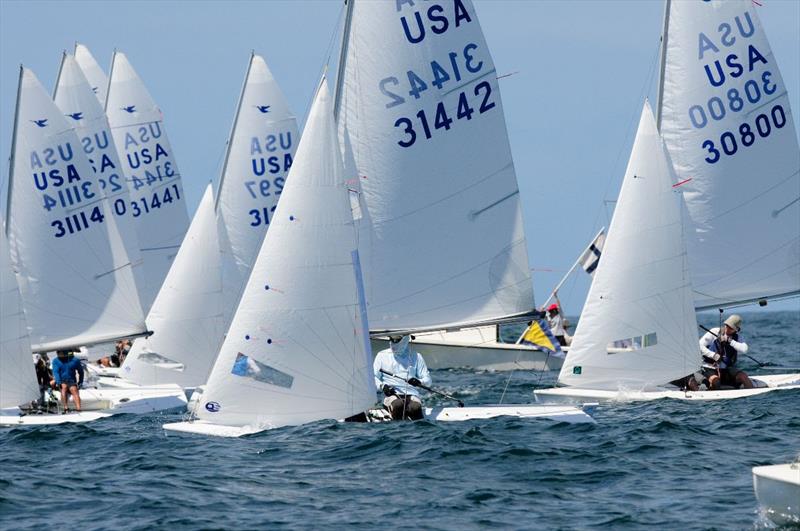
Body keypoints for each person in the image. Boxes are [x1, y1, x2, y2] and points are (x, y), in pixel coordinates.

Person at [373, 335, 431, 420]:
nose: (393, 343)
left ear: (405, 340)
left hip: (412, 395)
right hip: (392, 395)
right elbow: (373, 378)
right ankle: (397, 431)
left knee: (415, 408)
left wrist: (419, 382)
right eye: (391, 339)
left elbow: (428, 381)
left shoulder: (417, 356)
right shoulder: (381, 355)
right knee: (398, 405)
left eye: (396, 340)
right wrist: (382, 386)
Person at [699, 314, 753, 390]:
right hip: (710, 368)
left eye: (731, 328)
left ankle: (750, 398)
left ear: (736, 329)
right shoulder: (714, 331)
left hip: (726, 369)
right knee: (716, 381)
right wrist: (713, 355)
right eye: (726, 325)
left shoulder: (738, 338)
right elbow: (700, 345)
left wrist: (730, 341)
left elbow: (744, 349)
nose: (727, 329)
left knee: (743, 377)